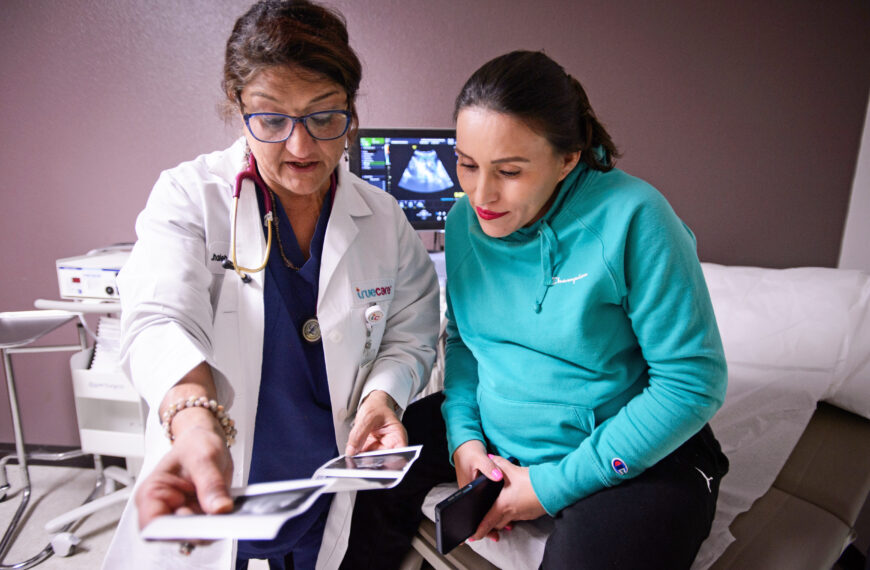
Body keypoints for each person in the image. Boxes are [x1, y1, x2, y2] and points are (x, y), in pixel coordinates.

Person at [343, 50, 729, 570]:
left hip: (631, 443)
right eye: (467, 163)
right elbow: (463, 342)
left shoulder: (636, 218)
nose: (480, 194)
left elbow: (692, 382)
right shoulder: (464, 222)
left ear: (568, 158)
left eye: (509, 171)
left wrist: (547, 488)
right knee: (371, 477)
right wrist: (464, 441)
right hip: (502, 426)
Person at [102, 1, 440, 569]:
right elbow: (159, 318)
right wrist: (192, 415)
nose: (302, 148)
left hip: (326, 492)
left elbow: (410, 331)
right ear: (238, 110)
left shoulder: (382, 218)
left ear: (351, 112)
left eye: (324, 117)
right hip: (215, 476)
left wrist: (384, 395)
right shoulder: (190, 197)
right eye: (272, 119)